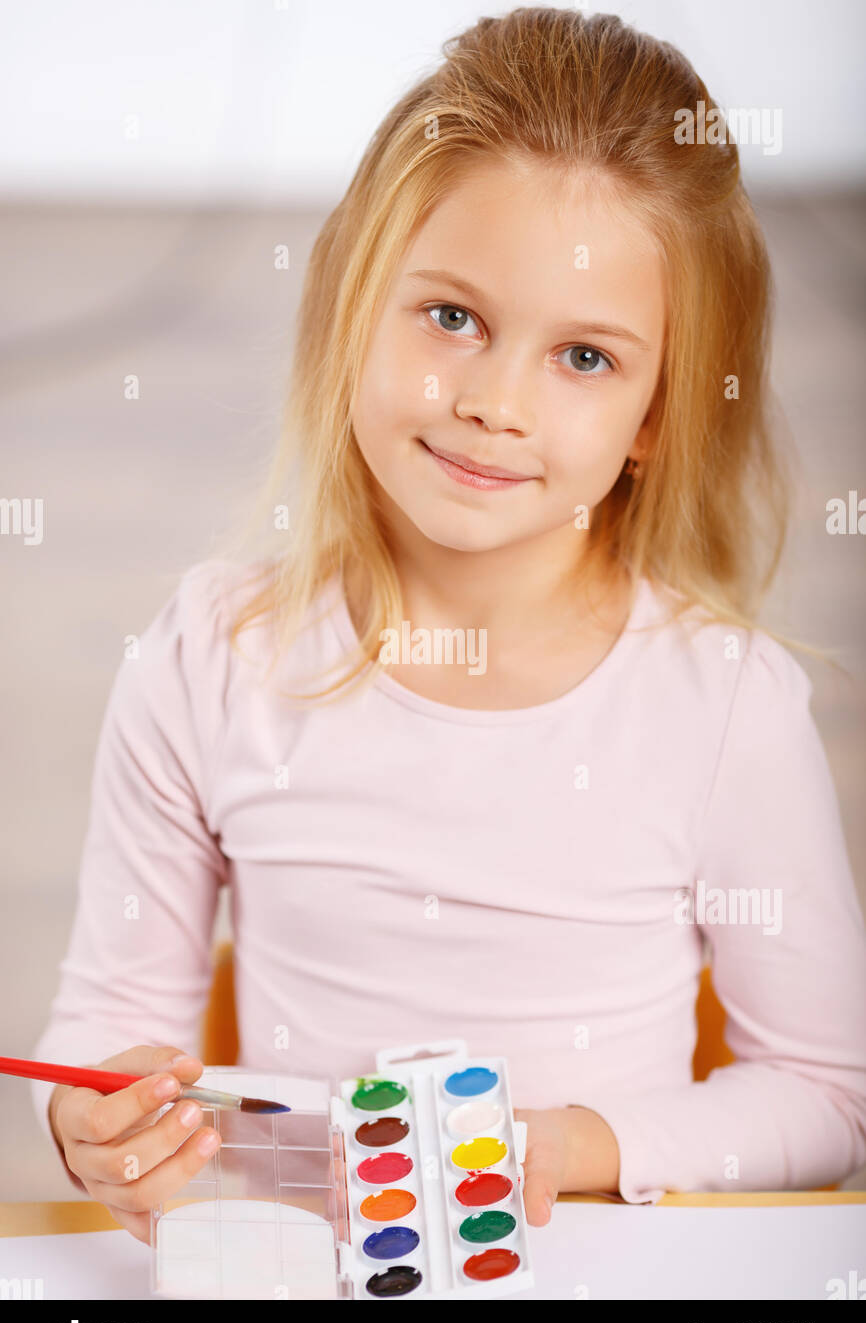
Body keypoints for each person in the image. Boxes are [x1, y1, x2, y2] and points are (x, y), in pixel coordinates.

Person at [32, 8, 866, 1246]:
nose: (490, 403)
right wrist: (92, 1127)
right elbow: (107, 1028)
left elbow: (826, 1093)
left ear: (654, 414)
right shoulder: (211, 654)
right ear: (352, 299)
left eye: (582, 356)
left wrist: (572, 1145)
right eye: (452, 318)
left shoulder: (723, 705)